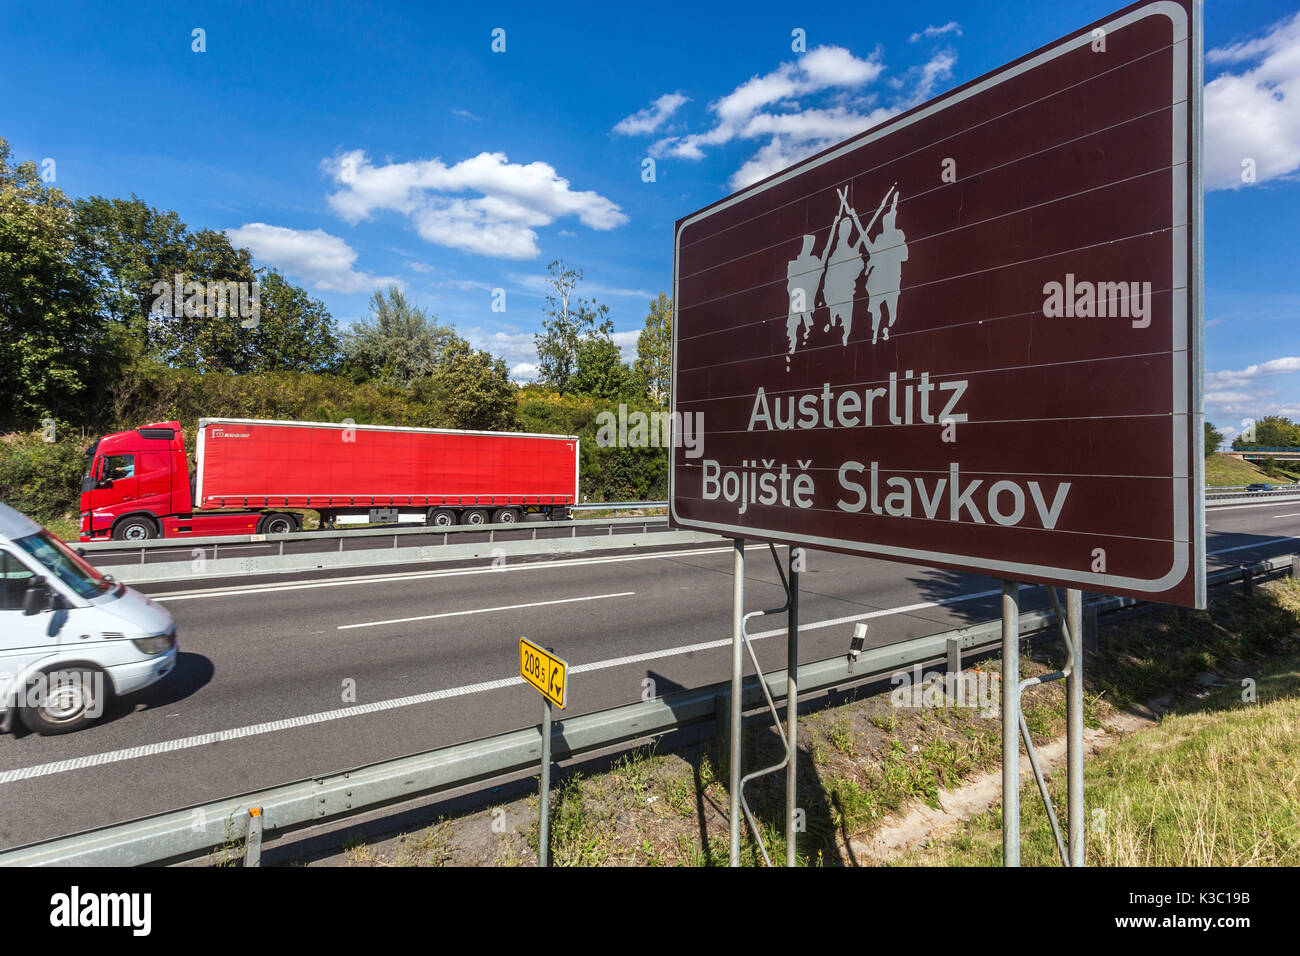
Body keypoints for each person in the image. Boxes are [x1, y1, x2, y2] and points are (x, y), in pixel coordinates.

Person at [864, 191, 908, 343]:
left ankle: (887, 329)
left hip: (892, 280)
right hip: (879, 280)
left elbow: (905, 255)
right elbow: (874, 256)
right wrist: (868, 267)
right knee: (875, 307)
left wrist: (894, 203)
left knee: (892, 313)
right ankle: (876, 330)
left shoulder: (898, 236)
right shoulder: (880, 238)